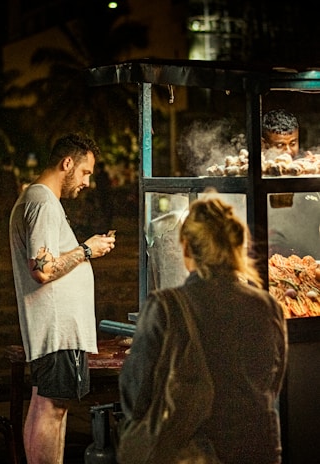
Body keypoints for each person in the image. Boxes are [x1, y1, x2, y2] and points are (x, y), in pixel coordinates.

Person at [118, 194, 288, 464]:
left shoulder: (165, 307)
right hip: (259, 450)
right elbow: (273, 382)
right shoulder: (268, 306)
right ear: (237, 244)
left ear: (186, 248)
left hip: (193, 453)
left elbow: (135, 397)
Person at [9, 133, 116, 464]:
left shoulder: (41, 200)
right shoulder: (41, 202)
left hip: (55, 329)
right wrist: (87, 249)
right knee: (50, 408)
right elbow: (41, 269)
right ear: (67, 163)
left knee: (49, 404)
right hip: (55, 329)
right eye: (85, 172)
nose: (86, 182)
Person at [262, 109, 320, 258]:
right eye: (280, 145)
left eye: (293, 143)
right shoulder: (258, 177)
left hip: (312, 267)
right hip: (269, 266)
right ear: (264, 144)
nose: (288, 151)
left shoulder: (309, 173)